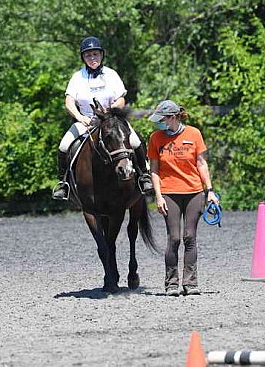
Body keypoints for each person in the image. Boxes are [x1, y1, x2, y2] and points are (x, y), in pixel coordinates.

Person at [52, 36, 153, 200]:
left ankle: (144, 176)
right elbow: (69, 101)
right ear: (83, 58)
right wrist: (79, 117)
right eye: (88, 55)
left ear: (101, 55)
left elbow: (121, 99)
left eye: (95, 54)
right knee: (64, 146)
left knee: (135, 140)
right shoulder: (77, 77)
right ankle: (64, 184)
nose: (92, 58)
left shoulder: (111, 74)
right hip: (86, 121)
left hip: (112, 120)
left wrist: (110, 112)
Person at [147, 100, 220, 296]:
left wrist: (209, 190)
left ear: (173, 117)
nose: (159, 123)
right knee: (174, 238)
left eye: (162, 119)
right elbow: (154, 170)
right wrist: (158, 196)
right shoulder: (155, 138)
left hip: (194, 192)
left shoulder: (194, 134)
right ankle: (171, 283)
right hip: (169, 192)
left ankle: (190, 283)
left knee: (190, 237)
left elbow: (201, 163)